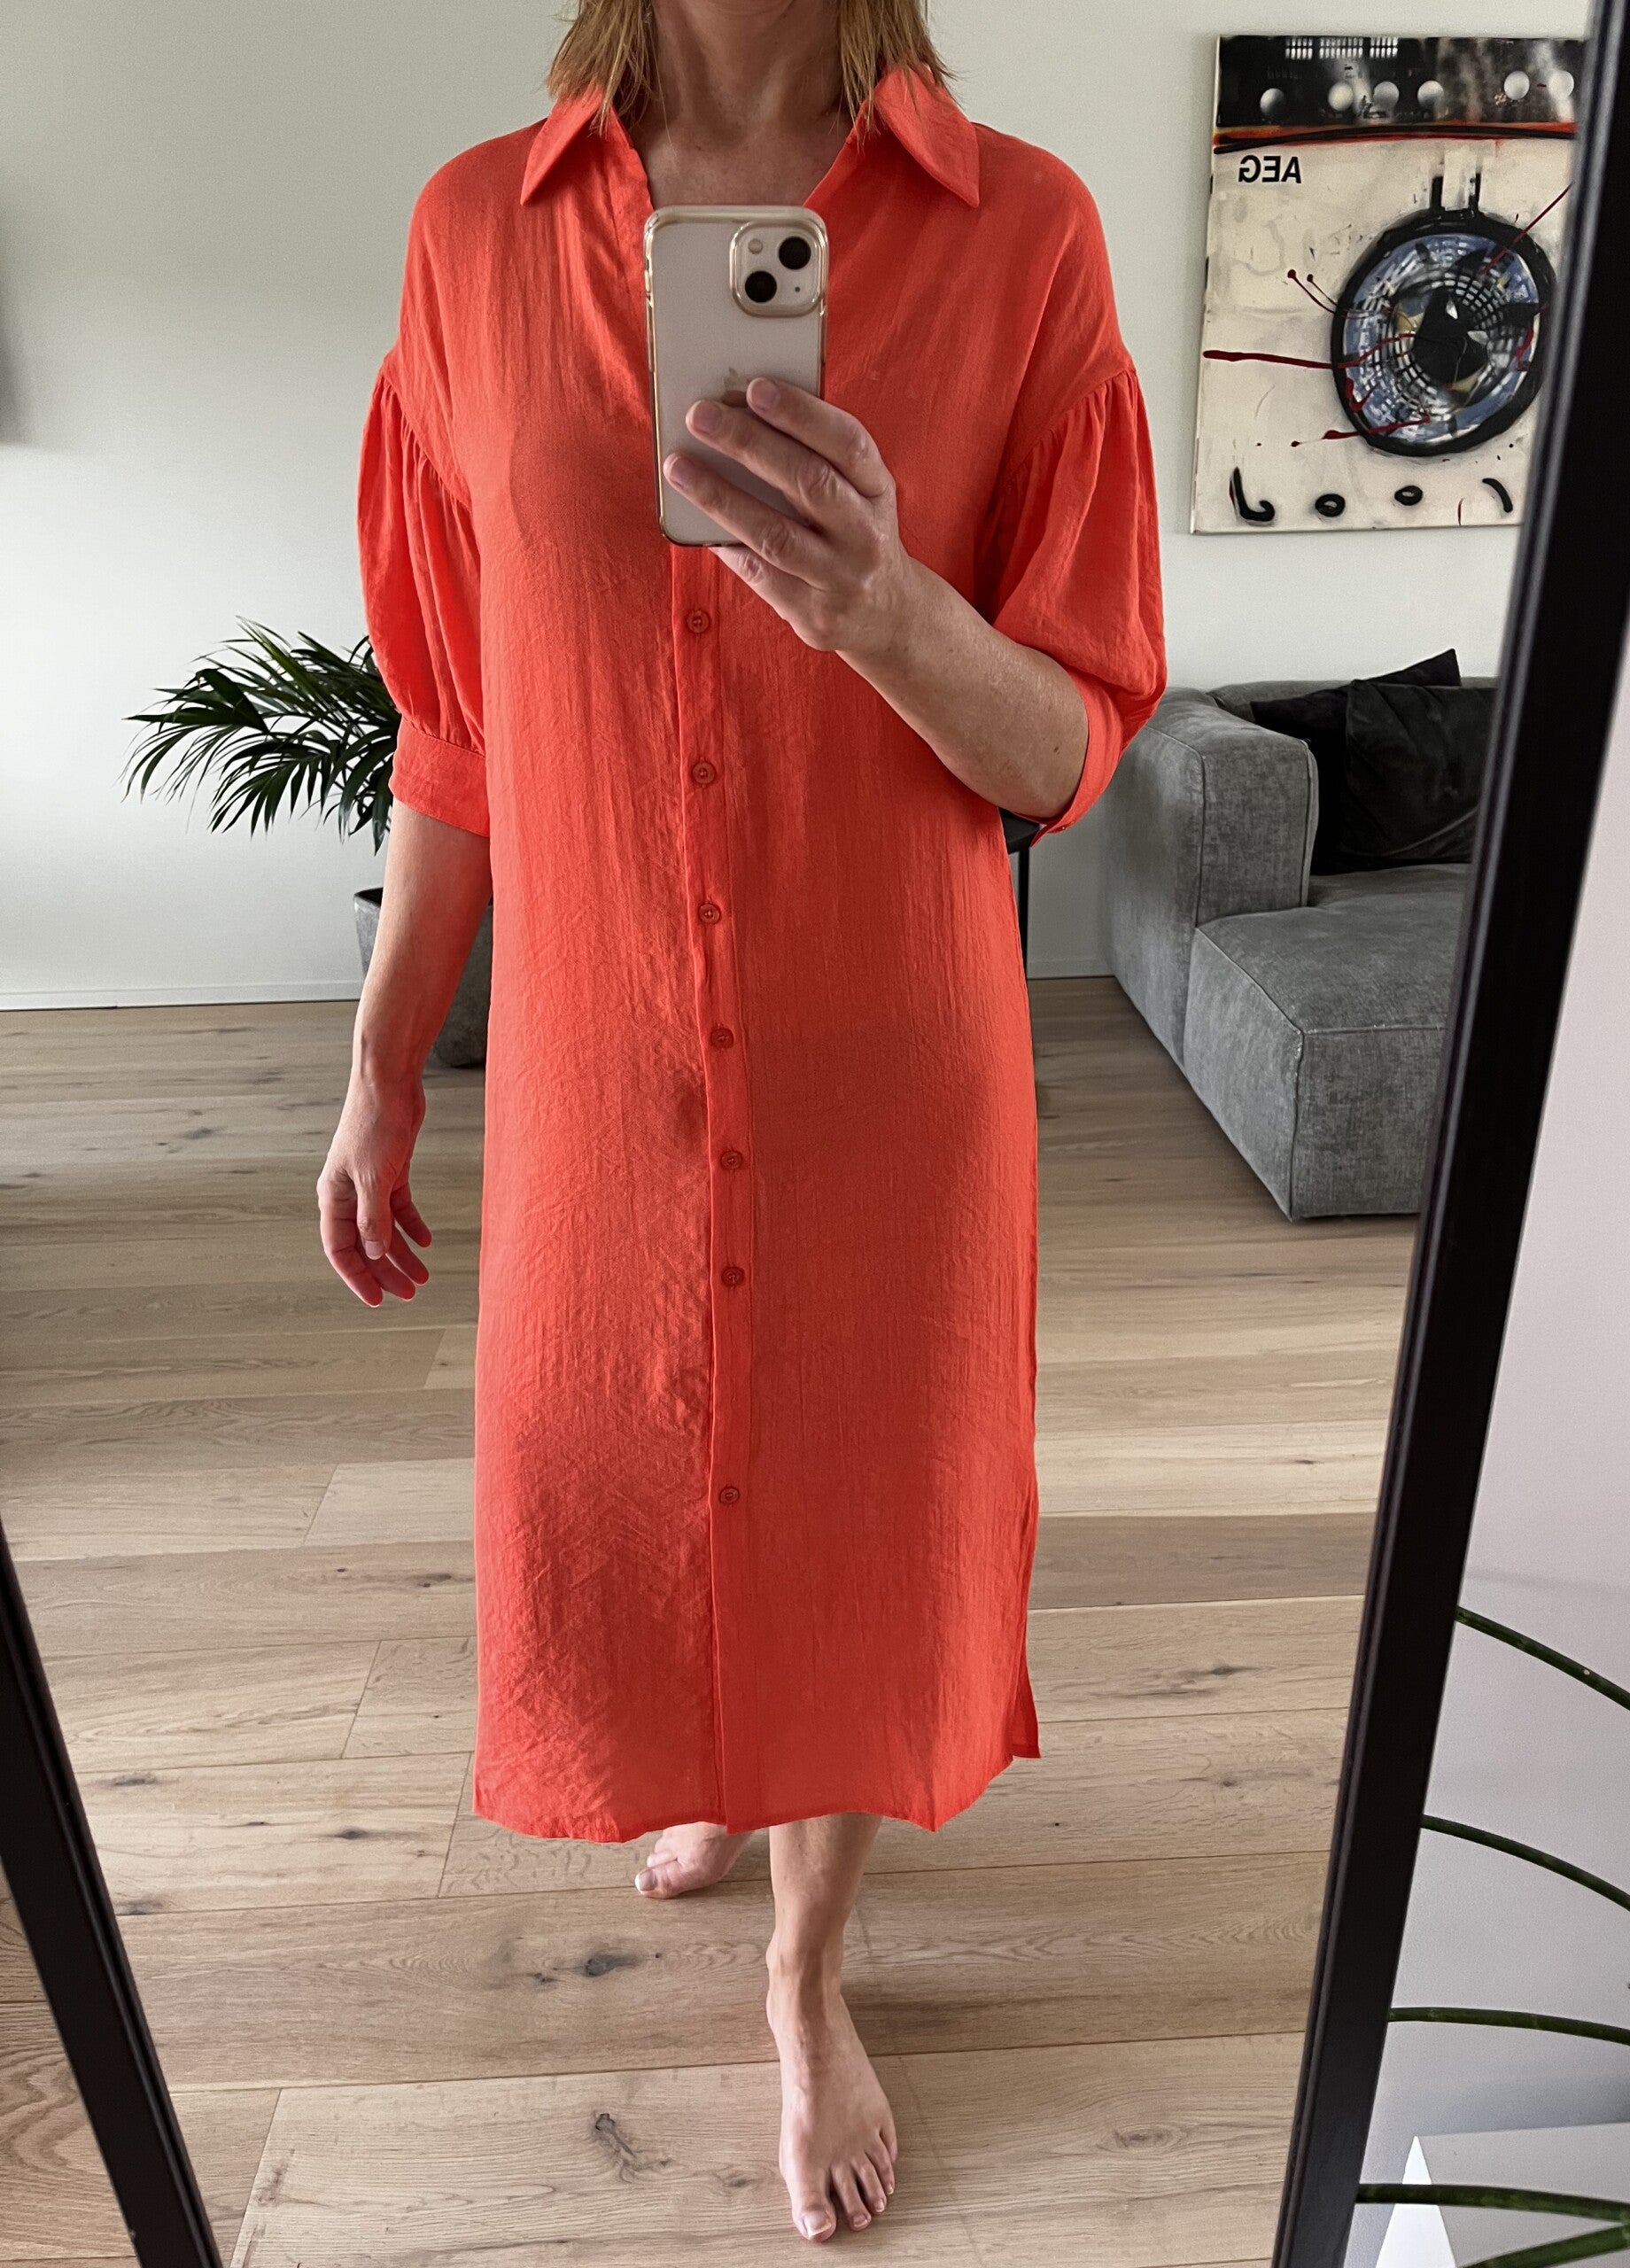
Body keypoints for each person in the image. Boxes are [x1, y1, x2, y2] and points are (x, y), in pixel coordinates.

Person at [319, 0, 1164, 2242]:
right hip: (601, 1060)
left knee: (858, 1508)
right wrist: (387, 1056)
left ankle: (807, 1970)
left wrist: (885, 609)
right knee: (618, 1459)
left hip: (891, 1058)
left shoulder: (1027, 236)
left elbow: (1064, 744)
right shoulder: (472, 239)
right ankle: (713, 1750)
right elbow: (454, 726)